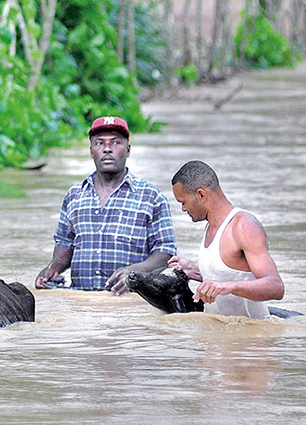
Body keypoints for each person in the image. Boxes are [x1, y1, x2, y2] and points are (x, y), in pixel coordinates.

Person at [35, 115, 177, 294]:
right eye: (99, 143)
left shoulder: (152, 197)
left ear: (128, 150)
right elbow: (65, 244)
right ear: (91, 150)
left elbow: (166, 253)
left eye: (116, 142)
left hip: (131, 303)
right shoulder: (74, 195)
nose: (107, 149)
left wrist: (136, 274)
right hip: (81, 304)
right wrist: (52, 269)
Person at [167, 160, 284, 318]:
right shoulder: (210, 227)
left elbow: (276, 286)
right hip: (219, 336)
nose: (183, 209)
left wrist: (229, 286)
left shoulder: (244, 226)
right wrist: (194, 271)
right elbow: (231, 275)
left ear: (201, 195)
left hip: (250, 339)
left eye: (183, 202)